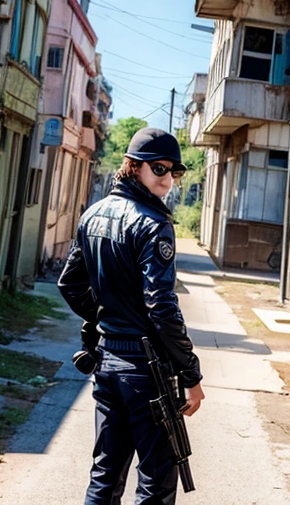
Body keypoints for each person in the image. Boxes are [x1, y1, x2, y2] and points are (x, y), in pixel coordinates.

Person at [58, 127, 204, 505]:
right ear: (134, 167)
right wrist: (190, 373)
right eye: (159, 169)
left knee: (105, 475)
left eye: (174, 171)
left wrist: (107, 317)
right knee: (156, 482)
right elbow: (161, 306)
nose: (168, 179)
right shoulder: (154, 225)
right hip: (145, 370)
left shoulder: (93, 215)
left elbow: (70, 285)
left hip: (108, 362)